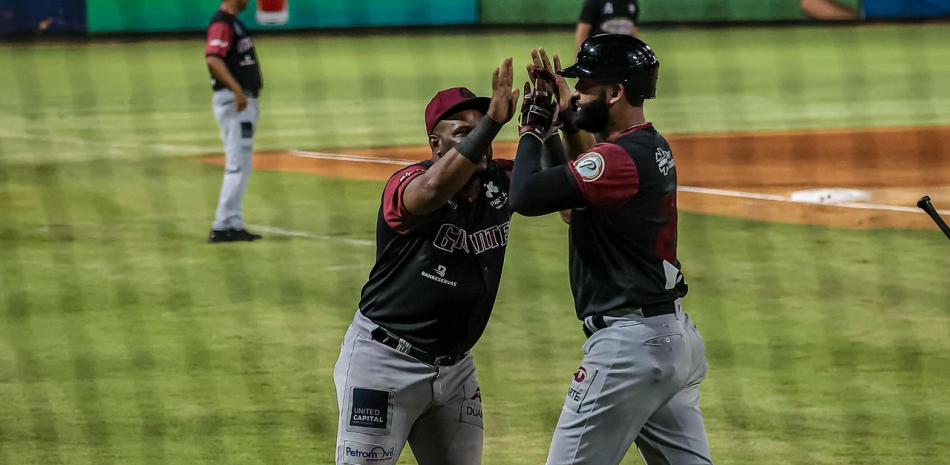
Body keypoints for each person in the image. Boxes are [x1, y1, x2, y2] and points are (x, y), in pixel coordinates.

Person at [509, 36, 714, 465]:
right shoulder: (648, 146)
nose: (577, 94)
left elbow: (525, 196)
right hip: (672, 342)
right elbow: (572, 208)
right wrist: (565, 123)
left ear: (616, 92)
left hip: (629, 350)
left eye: (585, 85)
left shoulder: (618, 159)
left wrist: (531, 129)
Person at [333, 58, 520, 465]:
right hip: (383, 366)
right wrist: (492, 122)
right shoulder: (407, 184)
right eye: (465, 133)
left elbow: (567, 191)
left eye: (482, 131)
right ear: (435, 145)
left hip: (456, 372)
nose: (480, 141)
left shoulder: (500, 182)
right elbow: (433, 191)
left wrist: (552, 126)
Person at [205, 0, 264, 243]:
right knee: (237, 164)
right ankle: (222, 226)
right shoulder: (222, 23)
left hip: (240, 101)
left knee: (242, 165)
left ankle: (233, 224)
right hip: (235, 102)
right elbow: (213, 59)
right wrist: (237, 90)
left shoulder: (234, 23)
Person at [575, 0, 640, 50]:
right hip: (599, 53)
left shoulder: (632, 2)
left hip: (623, 54)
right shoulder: (594, 1)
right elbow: (582, 33)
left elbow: (633, 31)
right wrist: (581, 59)